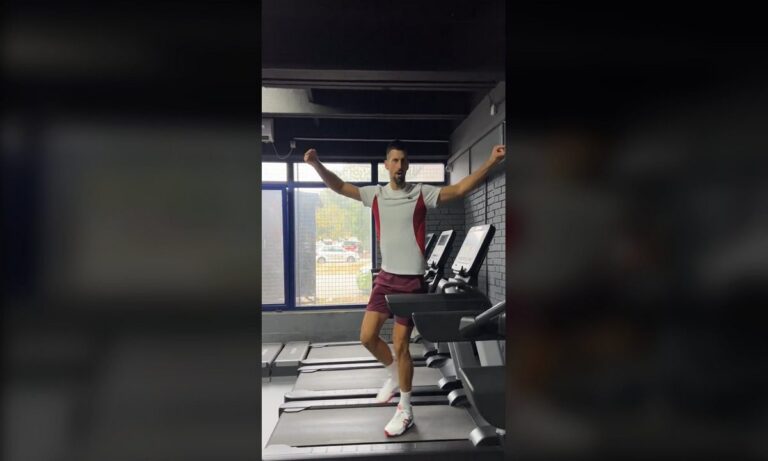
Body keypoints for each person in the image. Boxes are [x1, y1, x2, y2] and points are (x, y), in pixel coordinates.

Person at [304, 140, 505, 437]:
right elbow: (339, 186)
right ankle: (394, 374)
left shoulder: (421, 192)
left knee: (401, 346)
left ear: (408, 165)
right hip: (386, 278)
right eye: (394, 161)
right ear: (387, 165)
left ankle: (406, 410)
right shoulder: (375, 194)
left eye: (403, 161)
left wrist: (491, 161)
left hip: (411, 282)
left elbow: (460, 189)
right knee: (367, 337)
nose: (399, 166)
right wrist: (316, 164)